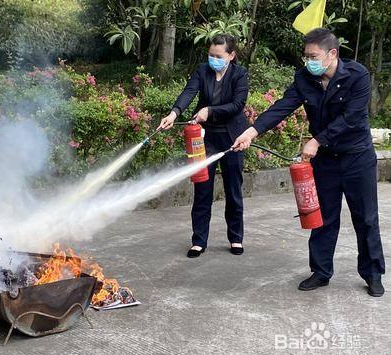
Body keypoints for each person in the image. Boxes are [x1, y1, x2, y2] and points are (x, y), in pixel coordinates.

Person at [233, 28, 385, 297]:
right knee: (322, 218)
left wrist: (316, 141)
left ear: (332, 54)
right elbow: (283, 106)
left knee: (366, 218)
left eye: (313, 56)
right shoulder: (305, 78)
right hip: (326, 162)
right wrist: (252, 131)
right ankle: (321, 271)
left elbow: (351, 118)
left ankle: (372, 274)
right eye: (306, 56)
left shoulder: (357, 75)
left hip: (356, 158)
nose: (308, 62)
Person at [158, 34, 249, 258]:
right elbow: (189, 91)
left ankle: (235, 238)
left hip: (232, 138)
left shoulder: (240, 74)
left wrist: (210, 110)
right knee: (202, 190)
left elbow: (238, 104)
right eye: (211, 55)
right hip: (205, 139)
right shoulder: (202, 71)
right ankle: (199, 241)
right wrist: (174, 113)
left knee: (233, 189)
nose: (213, 59)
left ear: (231, 55)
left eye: (218, 56)